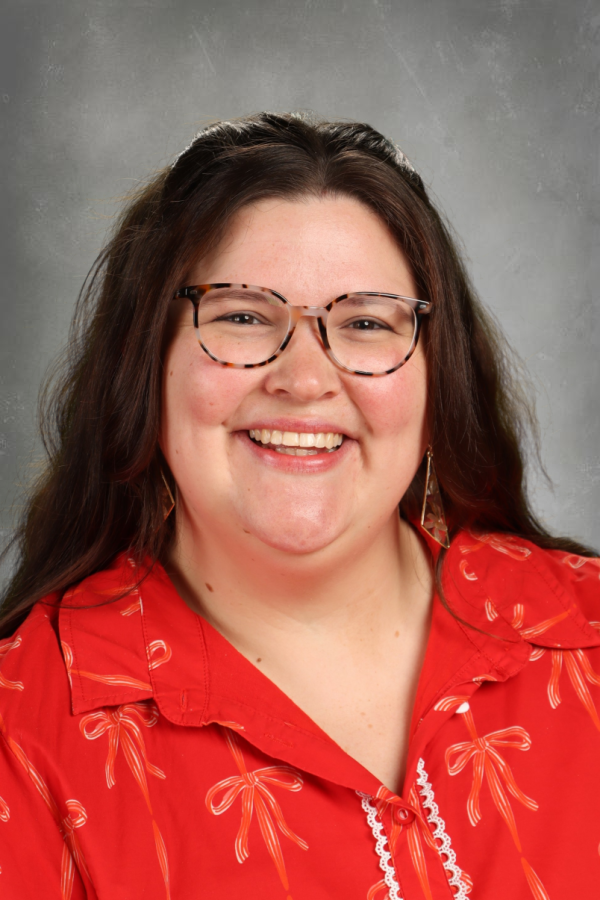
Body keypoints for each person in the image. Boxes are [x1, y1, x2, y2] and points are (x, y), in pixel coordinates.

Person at [0, 112, 597, 900]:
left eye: (365, 323)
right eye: (243, 315)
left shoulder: (585, 638)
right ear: (145, 367)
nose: (305, 378)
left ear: (435, 381)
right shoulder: (26, 728)